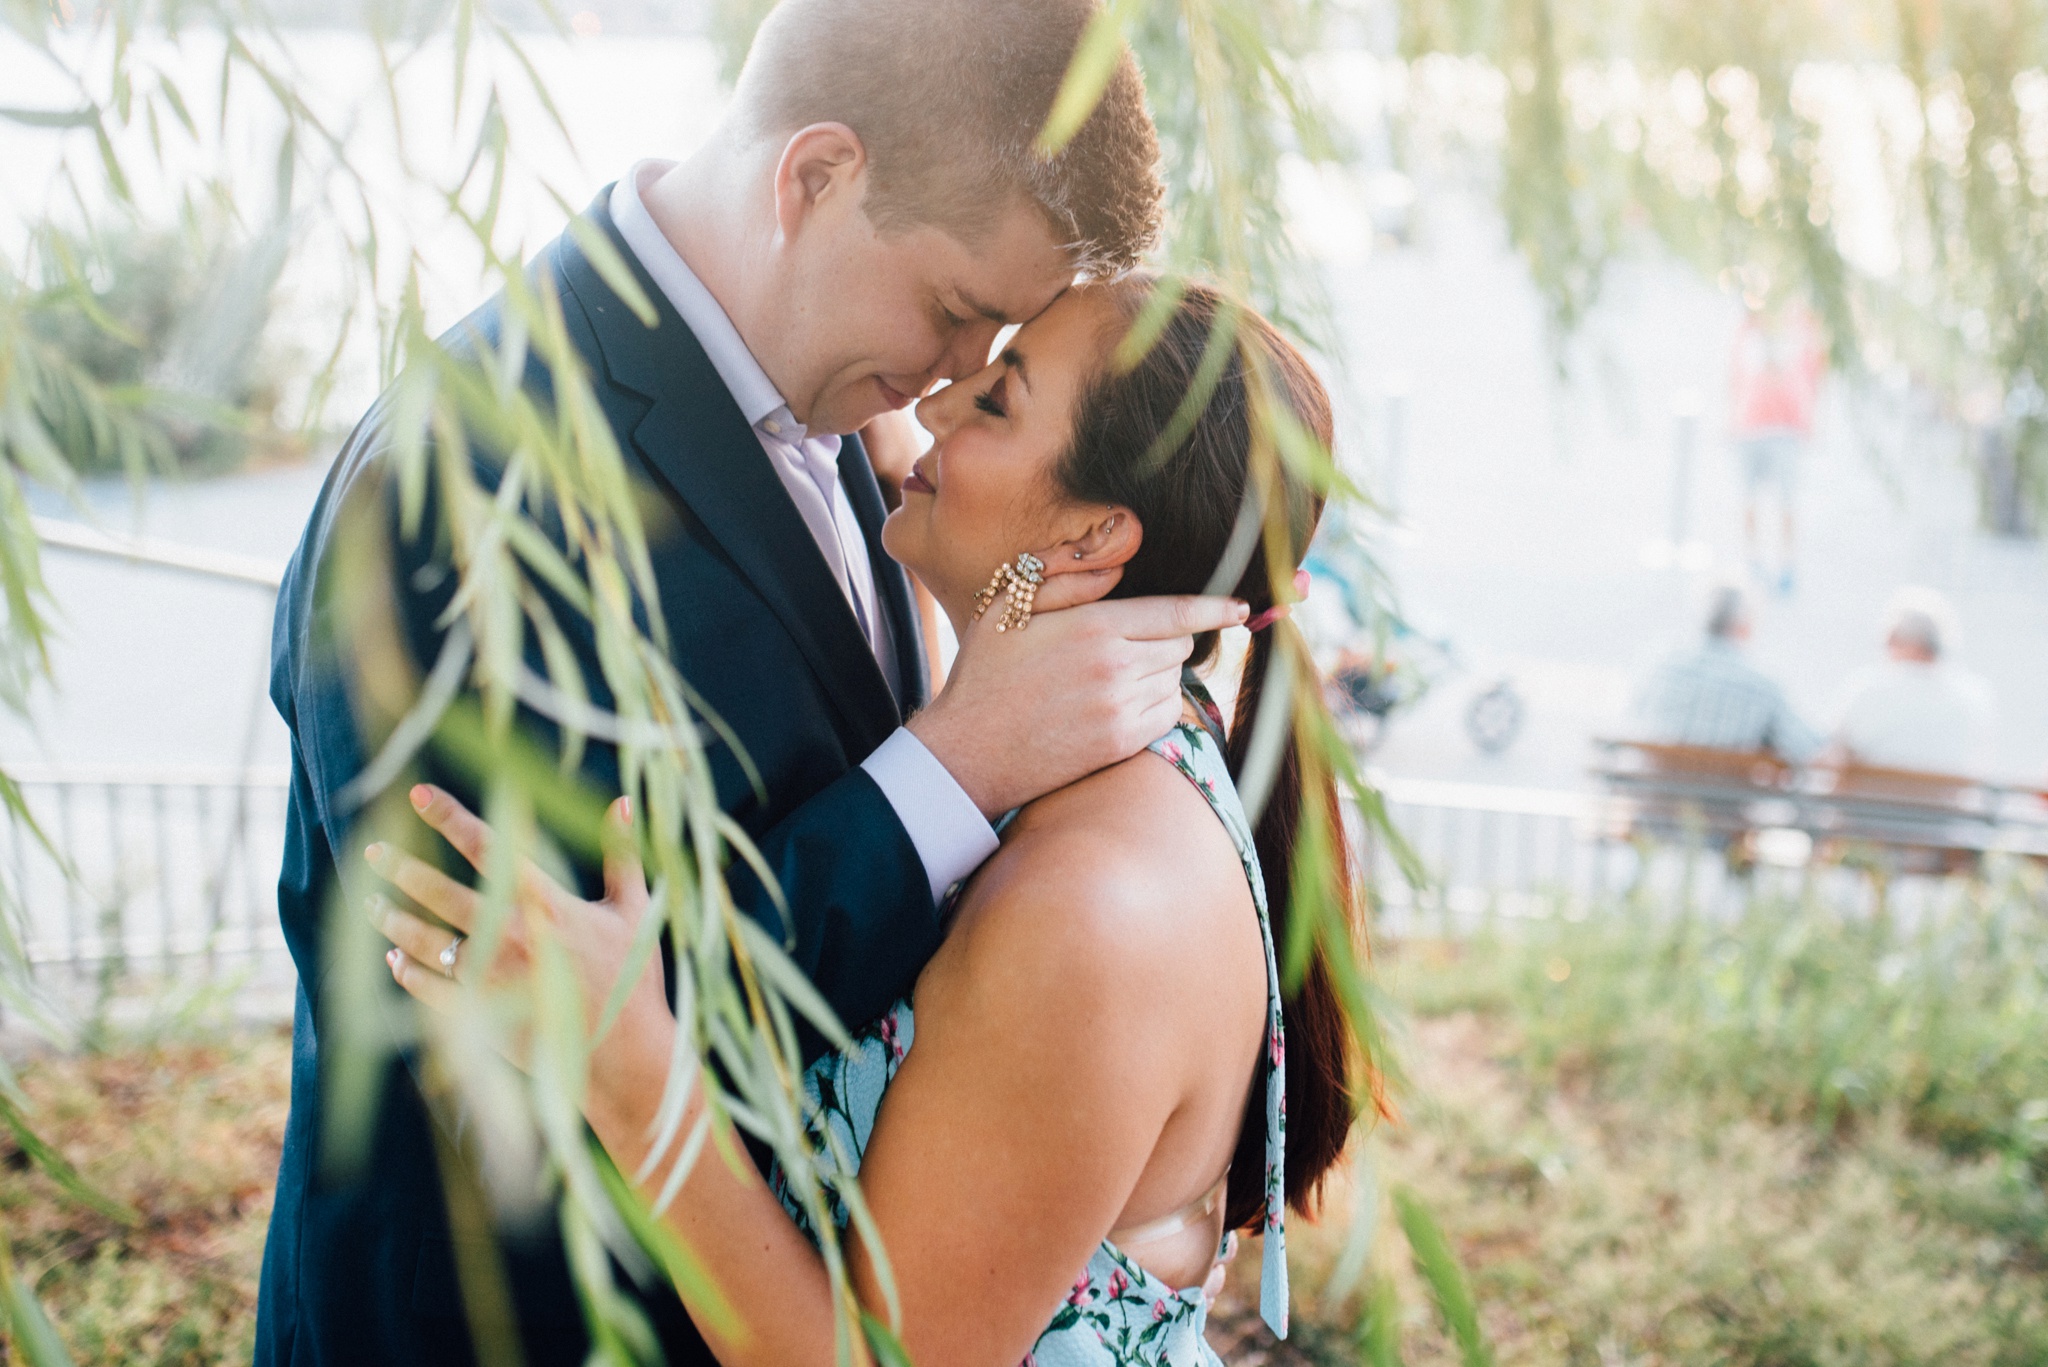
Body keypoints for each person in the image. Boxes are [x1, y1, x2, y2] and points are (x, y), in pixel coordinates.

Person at [256, 5, 1250, 1365]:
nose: (958, 381)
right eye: (960, 311)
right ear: (816, 177)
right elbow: (531, 1011)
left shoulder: (839, 405)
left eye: (999, 347)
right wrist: (953, 767)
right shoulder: (459, 487)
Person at [367, 277, 1378, 1366]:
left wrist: (632, 1072)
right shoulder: (1095, 767)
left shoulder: (1087, 913)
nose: (937, 405)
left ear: (1092, 537)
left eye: (995, 401)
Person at [1635, 584, 1822, 761]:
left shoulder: (1662, 667)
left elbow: (1633, 720)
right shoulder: (1761, 686)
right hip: (1724, 794)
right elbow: (1808, 748)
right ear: (1745, 625)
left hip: (1655, 791)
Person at [1833, 587, 1995, 776]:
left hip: (1870, 804)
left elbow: (1836, 755)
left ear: (1896, 639)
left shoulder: (1866, 688)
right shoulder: (1974, 698)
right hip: (1942, 805)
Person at [1729, 300, 1825, 595]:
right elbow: (1734, 374)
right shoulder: (1749, 330)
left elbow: (1814, 370)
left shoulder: (1799, 330)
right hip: (1751, 427)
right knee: (1749, 499)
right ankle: (1752, 560)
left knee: (1786, 501)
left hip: (1785, 430)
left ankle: (1786, 565)